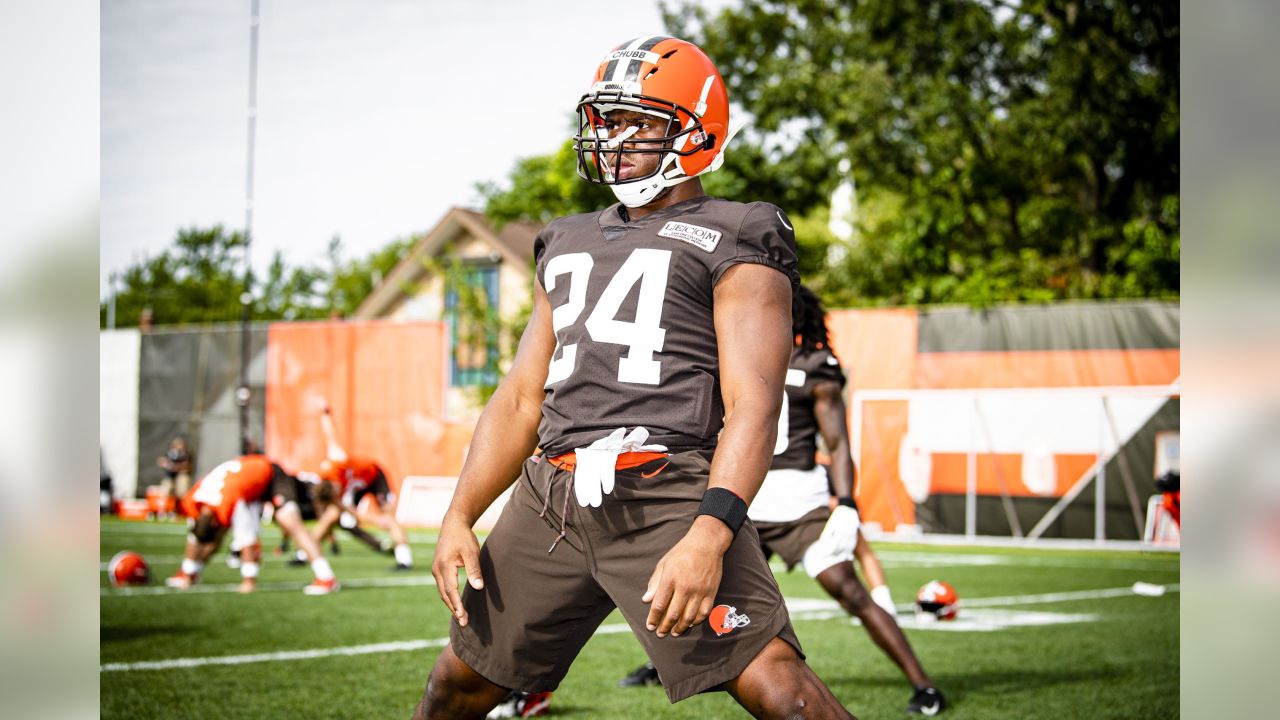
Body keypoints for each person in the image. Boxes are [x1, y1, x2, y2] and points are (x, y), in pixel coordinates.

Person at [415, 36, 854, 720]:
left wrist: (709, 536)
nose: (616, 140)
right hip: (552, 498)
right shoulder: (565, 238)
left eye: (639, 122)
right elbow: (522, 397)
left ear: (696, 129)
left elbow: (753, 406)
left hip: (667, 489)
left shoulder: (740, 231)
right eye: (608, 121)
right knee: (458, 686)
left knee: (782, 694)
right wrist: (459, 514)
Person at [617, 285, 946, 714]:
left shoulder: (814, 365)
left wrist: (846, 501)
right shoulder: (736, 354)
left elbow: (839, 443)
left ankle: (923, 684)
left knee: (848, 590)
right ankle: (659, 664)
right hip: (741, 495)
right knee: (698, 580)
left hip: (796, 503)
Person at [166, 454, 339, 595]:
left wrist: (249, 581)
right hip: (244, 478)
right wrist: (187, 572)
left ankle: (326, 577)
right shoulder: (193, 501)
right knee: (212, 533)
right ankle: (191, 572)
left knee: (290, 522)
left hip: (271, 474)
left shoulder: (230, 502)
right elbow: (195, 536)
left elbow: (248, 541)